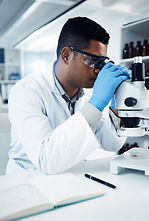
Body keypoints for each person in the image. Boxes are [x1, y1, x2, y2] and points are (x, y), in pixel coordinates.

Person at [6, 16, 130, 175]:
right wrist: (95, 104)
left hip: (71, 177)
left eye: (102, 62)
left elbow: (111, 143)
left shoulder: (88, 90)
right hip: (30, 180)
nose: (98, 70)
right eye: (92, 60)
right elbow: (46, 159)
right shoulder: (26, 91)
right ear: (66, 55)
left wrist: (117, 105)